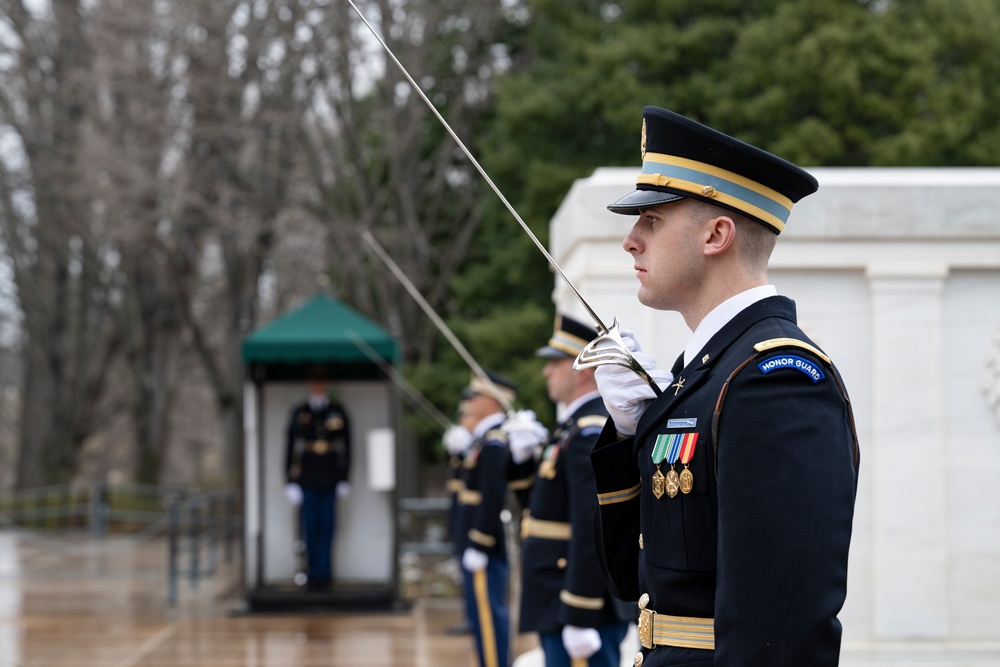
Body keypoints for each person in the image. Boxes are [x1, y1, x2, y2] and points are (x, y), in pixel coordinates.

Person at [587, 107, 860, 666]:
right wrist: (630, 432)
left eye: (653, 221)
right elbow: (632, 579)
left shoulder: (776, 379)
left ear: (716, 235)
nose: (630, 241)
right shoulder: (707, 374)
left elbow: (780, 631)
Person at [504, 314, 633, 667]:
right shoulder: (572, 428)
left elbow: (593, 526)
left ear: (583, 370)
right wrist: (519, 463)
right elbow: (543, 506)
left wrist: (580, 610)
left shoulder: (589, 431)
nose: (547, 372)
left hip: (575, 601)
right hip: (556, 594)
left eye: (556, 363)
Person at [453, 370, 521, 667]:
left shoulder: (494, 441)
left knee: (489, 617)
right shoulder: (484, 438)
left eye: (476, 396)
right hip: (475, 540)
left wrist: (479, 543)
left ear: (494, 401)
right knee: (482, 618)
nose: (470, 402)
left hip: (485, 544)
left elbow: (493, 496)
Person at [284, 372, 351, 592]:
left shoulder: (337, 410)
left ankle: (326, 573)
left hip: (330, 475)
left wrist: (344, 477)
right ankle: (312, 574)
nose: (317, 386)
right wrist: (289, 479)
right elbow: (290, 446)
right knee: (310, 526)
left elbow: (347, 445)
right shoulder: (300, 411)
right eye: (314, 382)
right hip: (308, 476)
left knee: (328, 526)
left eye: (321, 382)